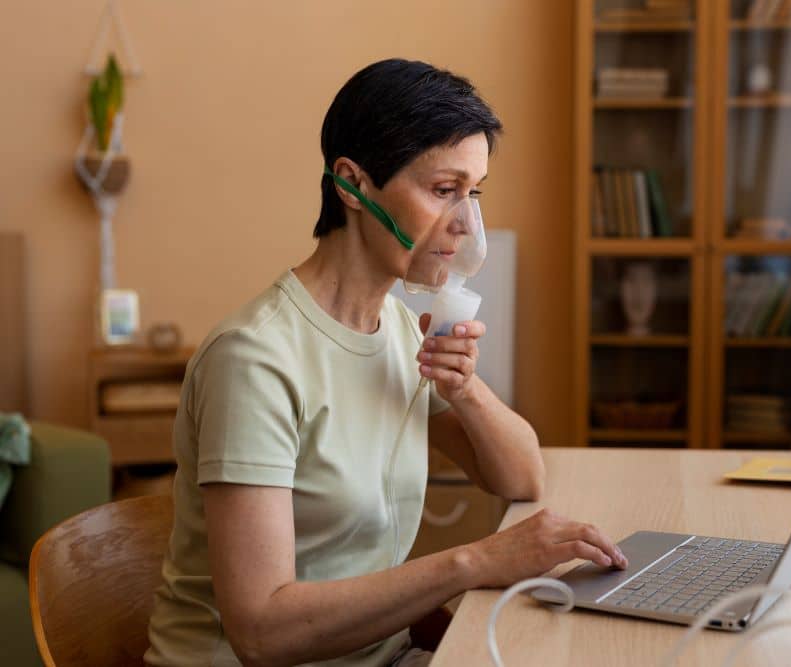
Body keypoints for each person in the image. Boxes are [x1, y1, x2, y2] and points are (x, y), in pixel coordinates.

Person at [145, 58, 627, 667]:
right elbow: (262, 633)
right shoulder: (254, 360)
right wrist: (474, 563)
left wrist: (466, 388)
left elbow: (522, 479)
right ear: (352, 184)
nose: (464, 224)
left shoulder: (397, 330)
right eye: (443, 190)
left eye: (473, 193)